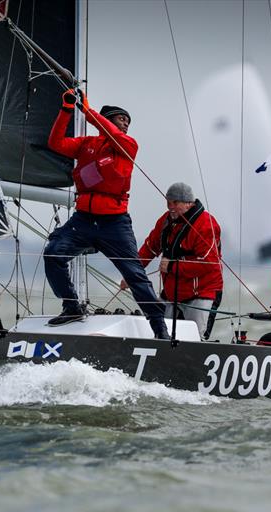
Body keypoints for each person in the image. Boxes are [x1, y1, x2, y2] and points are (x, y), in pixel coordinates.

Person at [44, 89, 169, 339]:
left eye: (128, 121)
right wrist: (67, 109)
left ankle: (160, 329)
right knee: (53, 253)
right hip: (83, 219)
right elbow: (55, 143)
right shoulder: (87, 144)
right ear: (107, 119)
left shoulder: (127, 144)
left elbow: (111, 133)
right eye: (121, 118)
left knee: (135, 275)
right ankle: (71, 306)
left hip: (115, 223)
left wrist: (87, 110)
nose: (125, 124)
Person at [121, 183, 223, 339]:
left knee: (195, 339)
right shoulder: (165, 221)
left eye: (175, 203)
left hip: (203, 293)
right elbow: (150, 247)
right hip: (172, 294)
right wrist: (132, 273)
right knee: (162, 336)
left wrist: (173, 266)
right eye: (168, 202)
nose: (171, 207)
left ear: (189, 203)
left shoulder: (206, 224)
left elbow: (208, 263)